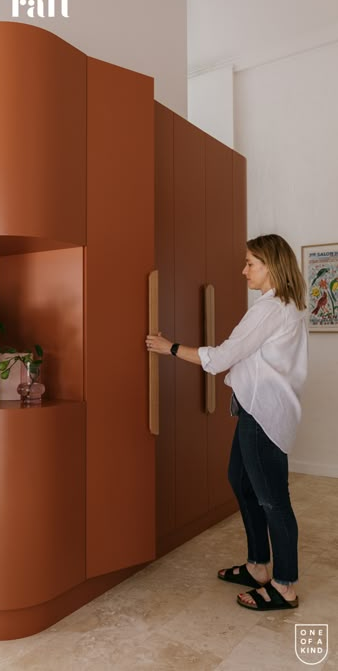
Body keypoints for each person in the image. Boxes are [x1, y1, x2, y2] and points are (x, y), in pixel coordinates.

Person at [146, 234, 308, 611]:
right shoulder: (281, 307)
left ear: (272, 266)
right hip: (257, 411)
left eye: (251, 263)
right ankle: (257, 566)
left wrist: (168, 347)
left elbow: (221, 358)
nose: (244, 270)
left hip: (262, 415)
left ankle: (284, 586)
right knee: (241, 482)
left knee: (272, 500)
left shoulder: (268, 310)